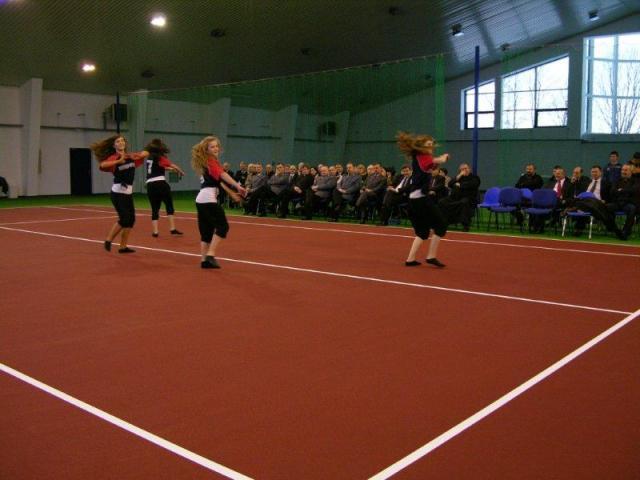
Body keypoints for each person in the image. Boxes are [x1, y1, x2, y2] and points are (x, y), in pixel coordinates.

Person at [191, 136, 246, 269]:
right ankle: (210, 255)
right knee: (223, 226)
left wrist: (231, 193)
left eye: (216, 146)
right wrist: (237, 186)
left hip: (201, 199)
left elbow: (218, 182)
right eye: (212, 147)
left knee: (207, 232)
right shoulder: (210, 161)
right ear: (207, 150)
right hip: (208, 199)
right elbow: (222, 175)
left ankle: (204, 260)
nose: (216, 148)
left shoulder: (207, 162)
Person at [396, 131, 449, 268]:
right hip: (420, 200)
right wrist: (442, 158)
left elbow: (430, 166)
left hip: (415, 199)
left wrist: (437, 162)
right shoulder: (422, 156)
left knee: (423, 231)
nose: (431, 147)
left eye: (432, 144)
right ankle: (431, 256)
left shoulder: (420, 157)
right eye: (428, 144)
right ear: (422, 146)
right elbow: (432, 162)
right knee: (441, 225)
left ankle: (410, 259)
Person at [91, 134, 149, 253]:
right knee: (124, 219)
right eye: (118, 141)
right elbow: (102, 165)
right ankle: (108, 240)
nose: (121, 142)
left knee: (131, 220)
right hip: (118, 193)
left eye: (122, 140)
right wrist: (118, 161)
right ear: (114, 145)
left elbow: (146, 152)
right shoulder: (114, 157)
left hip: (128, 193)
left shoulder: (130, 156)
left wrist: (137, 155)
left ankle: (123, 247)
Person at [143, 138, 186, 238]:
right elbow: (172, 164)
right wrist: (181, 171)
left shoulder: (149, 158)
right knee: (169, 205)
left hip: (150, 185)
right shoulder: (160, 157)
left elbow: (160, 167)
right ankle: (172, 229)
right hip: (160, 183)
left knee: (155, 208)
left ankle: (155, 232)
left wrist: (170, 169)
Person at [438, 163, 480, 231]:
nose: (464, 170)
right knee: (442, 202)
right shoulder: (459, 177)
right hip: (455, 198)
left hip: (468, 198)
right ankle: (445, 222)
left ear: (469, 169)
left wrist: (460, 185)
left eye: (466, 168)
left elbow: (473, 184)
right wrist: (459, 175)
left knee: (463, 203)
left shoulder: (475, 177)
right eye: (462, 169)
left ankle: (466, 225)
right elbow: (450, 184)